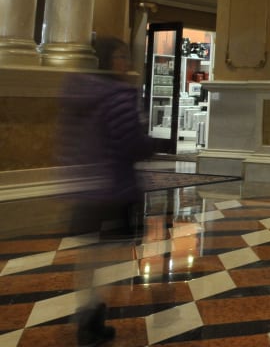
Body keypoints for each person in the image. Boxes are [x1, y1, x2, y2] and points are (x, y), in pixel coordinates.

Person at [59, 36, 154, 347]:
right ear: (108, 61)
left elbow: (69, 140)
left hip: (87, 186)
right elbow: (130, 141)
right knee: (112, 258)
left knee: (90, 257)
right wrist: (150, 145)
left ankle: (88, 313)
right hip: (114, 187)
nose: (125, 64)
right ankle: (92, 317)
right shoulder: (118, 96)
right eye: (121, 57)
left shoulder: (79, 92)